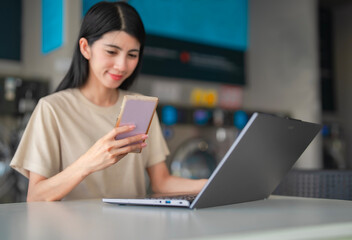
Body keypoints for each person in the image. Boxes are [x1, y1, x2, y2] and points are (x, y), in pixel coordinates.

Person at [10, 2, 207, 202]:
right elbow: (36, 197)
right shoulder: (53, 109)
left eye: (132, 55)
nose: (121, 65)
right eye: (111, 52)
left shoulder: (141, 107)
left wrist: (210, 183)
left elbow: (161, 182)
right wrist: (88, 162)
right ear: (86, 48)